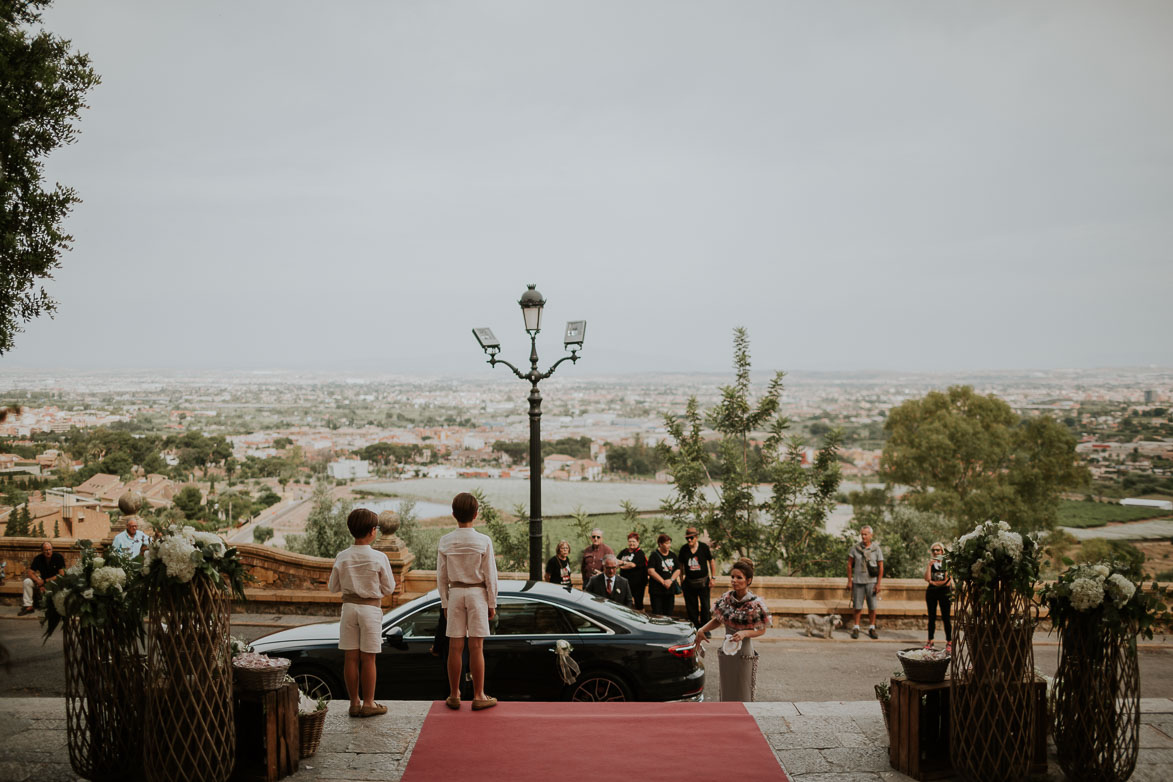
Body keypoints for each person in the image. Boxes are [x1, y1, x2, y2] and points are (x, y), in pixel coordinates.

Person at [327, 508, 396, 718]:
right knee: (368, 659)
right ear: (372, 531)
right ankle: (369, 703)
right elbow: (389, 588)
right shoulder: (379, 557)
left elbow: (332, 587)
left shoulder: (342, 556)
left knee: (350, 658)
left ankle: (354, 703)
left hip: (348, 609)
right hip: (370, 609)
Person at [436, 492, 499, 711]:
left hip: (455, 593)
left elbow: (441, 577)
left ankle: (454, 694)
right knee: (476, 647)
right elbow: (490, 575)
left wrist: (444, 602)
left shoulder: (445, 541)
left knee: (455, 647)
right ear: (476, 514)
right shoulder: (483, 541)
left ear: (453, 514)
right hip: (477, 593)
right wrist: (492, 602)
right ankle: (479, 695)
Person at [697, 558, 769, 701]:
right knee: (727, 689)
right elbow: (719, 619)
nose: (734, 580)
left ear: (748, 580)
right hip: (726, 651)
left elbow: (761, 630)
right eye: (732, 577)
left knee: (743, 690)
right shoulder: (727, 598)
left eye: (739, 578)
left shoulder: (755, 603)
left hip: (744, 653)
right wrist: (702, 630)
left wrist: (744, 633)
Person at [847, 525, 884, 639]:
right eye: (862, 534)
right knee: (857, 606)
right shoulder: (855, 548)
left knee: (872, 607)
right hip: (858, 581)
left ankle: (872, 627)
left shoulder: (876, 549)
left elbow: (881, 566)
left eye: (866, 534)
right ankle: (856, 627)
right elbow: (849, 565)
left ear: (871, 535)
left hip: (871, 582)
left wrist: (878, 583)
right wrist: (849, 581)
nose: (863, 536)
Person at [678, 526, 716, 628]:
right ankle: (695, 627)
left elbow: (711, 561)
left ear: (696, 537)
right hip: (689, 582)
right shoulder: (684, 549)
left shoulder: (703, 547)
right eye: (687, 538)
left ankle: (705, 628)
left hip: (703, 582)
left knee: (705, 606)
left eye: (691, 538)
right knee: (691, 607)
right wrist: (681, 581)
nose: (689, 540)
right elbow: (680, 566)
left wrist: (713, 578)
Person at [20, 541, 65, 616]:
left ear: (52, 550)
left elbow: (61, 574)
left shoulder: (58, 557)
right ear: (42, 551)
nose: (48, 552)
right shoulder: (38, 558)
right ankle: (28, 606)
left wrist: (44, 582)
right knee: (27, 581)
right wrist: (38, 581)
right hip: (42, 580)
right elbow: (30, 572)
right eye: (46, 550)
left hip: (55, 581)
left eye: (50, 549)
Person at [924, 542, 952, 653]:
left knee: (946, 617)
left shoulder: (946, 564)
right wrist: (929, 566)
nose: (935, 552)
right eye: (934, 550)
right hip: (931, 592)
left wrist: (935, 583)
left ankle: (949, 641)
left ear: (942, 551)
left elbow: (948, 580)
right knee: (932, 617)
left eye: (938, 550)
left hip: (944, 592)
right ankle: (930, 640)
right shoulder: (931, 564)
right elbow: (927, 578)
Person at [646, 533, 679, 617]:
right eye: (666, 543)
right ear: (660, 544)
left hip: (669, 589)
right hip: (657, 589)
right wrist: (663, 582)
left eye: (669, 543)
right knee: (657, 612)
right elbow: (650, 571)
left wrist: (671, 580)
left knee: (669, 612)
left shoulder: (672, 555)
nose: (669, 545)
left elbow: (678, 570)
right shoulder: (654, 555)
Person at [616, 532, 648, 610]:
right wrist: (623, 564)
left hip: (638, 584)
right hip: (625, 583)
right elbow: (616, 561)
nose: (631, 543)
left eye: (633, 541)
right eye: (630, 541)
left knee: (638, 604)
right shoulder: (624, 551)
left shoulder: (640, 553)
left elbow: (633, 565)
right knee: (625, 602)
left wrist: (623, 564)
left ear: (638, 542)